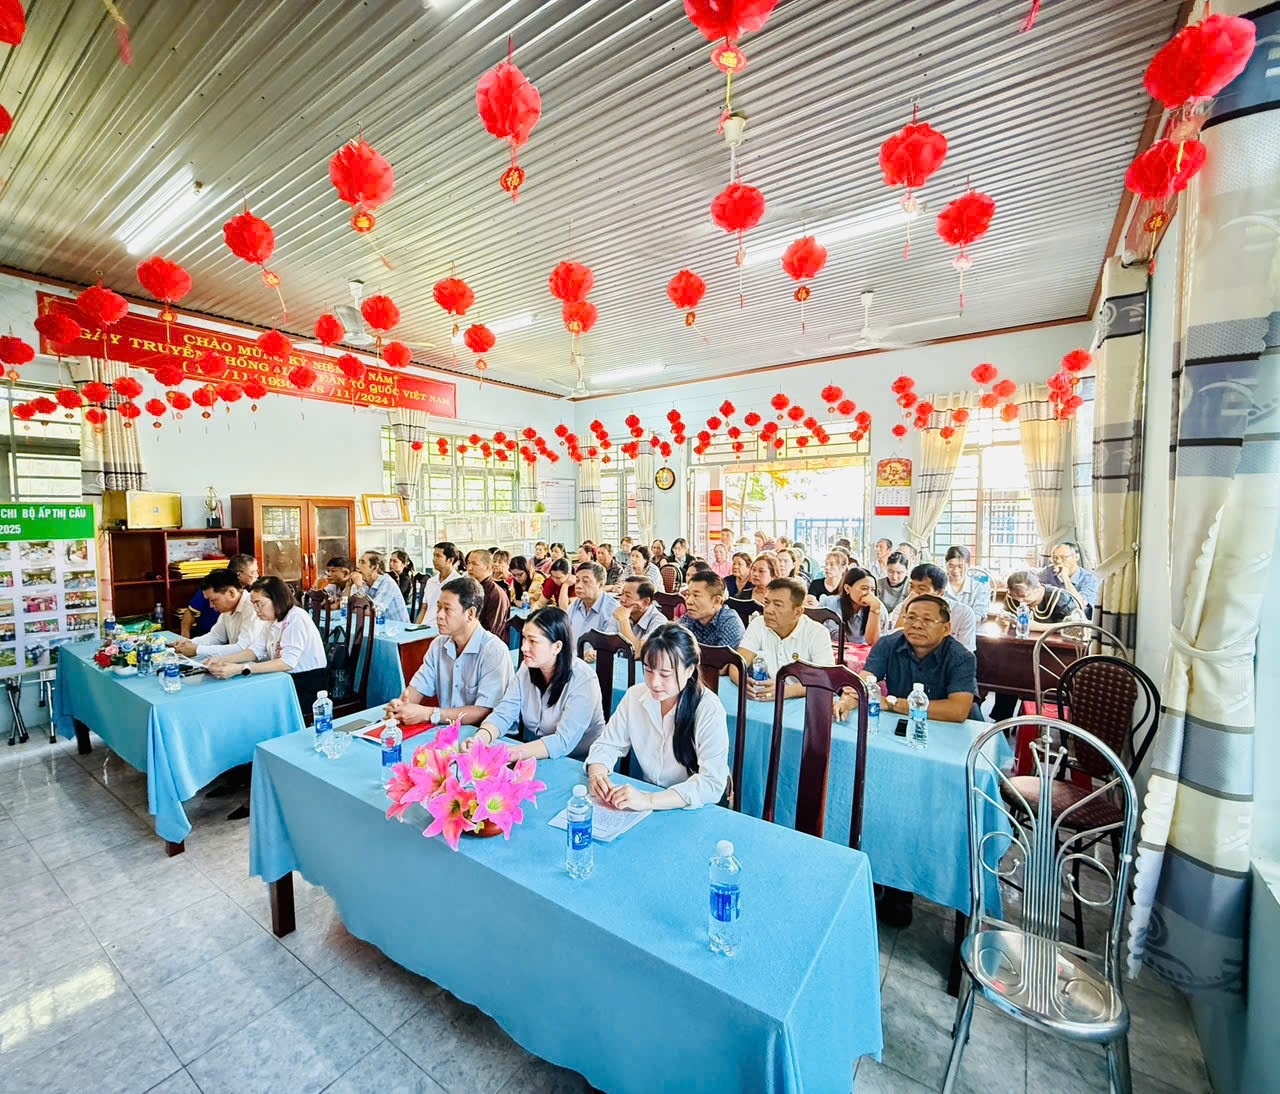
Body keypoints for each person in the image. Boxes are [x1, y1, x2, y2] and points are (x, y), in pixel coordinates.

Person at [586, 624, 730, 811]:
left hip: (691, 808)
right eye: (648, 670)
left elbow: (711, 783)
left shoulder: (708, 709)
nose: (654, 682)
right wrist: (597, 772)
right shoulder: (635, 697)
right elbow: (607, 744)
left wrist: (650, 800)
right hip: (649, 797)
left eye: (665, 674)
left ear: (689, 669)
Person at [471, 606, 606, 762]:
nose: (523, 647)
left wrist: (507, 753)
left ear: (557, 646)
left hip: (581, 761)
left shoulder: (583, 680)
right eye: (523, 638)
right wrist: (480, 738)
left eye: (533, 641)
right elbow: (504, 713)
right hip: (539, 753)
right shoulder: (527, 669)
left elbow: (562, 742)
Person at [385, 576, 514, 727]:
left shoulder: (494, 651)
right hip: (447, 730)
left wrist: (429, 714)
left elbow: (484, 710)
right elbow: (416, 689)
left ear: (470, 613)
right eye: (439, 607)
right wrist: (400, 708)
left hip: (481, 736)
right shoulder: (438, 645)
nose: (439, 615)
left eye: (447, 609)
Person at [205, 577, 329, 707]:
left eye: (260, 604)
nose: (256, 609)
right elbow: (254, 651)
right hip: (285, 679)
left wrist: (241, 668)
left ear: (277, 599)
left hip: (306, 683)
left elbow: (287, 662)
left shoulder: (296, 618)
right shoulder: (272, 620)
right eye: (253, 604)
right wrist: (222, 660)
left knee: (250, 700)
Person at [735, 577, 834, 701]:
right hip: (766, 695)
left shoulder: (817, 633)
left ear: (797, 612)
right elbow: (738, 663)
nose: (768, 610)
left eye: (778, 605)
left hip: (803, 701)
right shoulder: (758, 624)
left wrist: (786, 690)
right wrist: (742, 681)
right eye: (766, 602)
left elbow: (826, 678)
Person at [170, 568, 264, 658]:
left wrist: (197, 650)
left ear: (231, 593)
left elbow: (243, 648)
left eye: (214, 600)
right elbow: (216, 636)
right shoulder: (227, 609)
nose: (211, 605)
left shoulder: (253, 608)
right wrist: (188, 643)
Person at [890, 563, 977, 652]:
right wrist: (904, 611)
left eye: (922, 588)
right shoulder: (901, 608)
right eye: (911, 586)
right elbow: (894, 646)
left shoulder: (963, 613)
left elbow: (966, 653)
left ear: (939, 592)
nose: (913, 593)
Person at [680, 570, 744, 649]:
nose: (689, 601)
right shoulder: (688, 618)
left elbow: (719, 659)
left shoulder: (730, 624)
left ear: (717, 601)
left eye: (696, 595)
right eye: (688, 595)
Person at [563, 562, 620, 650]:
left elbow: (608, 644)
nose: (578, 586)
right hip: (573, 659)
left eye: (585, 581)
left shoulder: (612, 609)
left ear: (601, 584)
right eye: (577, 580)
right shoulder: (575, 604)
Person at [1038, 541, 1100, 619]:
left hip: (1077, 621)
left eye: (1063, 557)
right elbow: (1032, 584)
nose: (1058, 561)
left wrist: (1065, 578)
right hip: (1050, 618)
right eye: (1054, 557)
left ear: (1076, 557)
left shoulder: (1090, 579)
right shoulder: (1049, 571)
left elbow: (1081, 604)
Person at [831, 566, 887, 648]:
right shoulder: (832, 604)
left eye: (873, 590)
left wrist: (875, 609)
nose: (869, 594)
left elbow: (873, 642)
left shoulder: (877, 606)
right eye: (864, 588)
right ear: (847, 588)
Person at [1002, 569, 1074, 630]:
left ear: (1038, 589)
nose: (1019, 600)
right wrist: (1002, 621)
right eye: (1013, 596)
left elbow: (1073, 626)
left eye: (1024, 596)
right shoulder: (1012, 598)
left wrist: (1037, 627)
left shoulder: (1059, 598)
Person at [614, 575, 666, 656]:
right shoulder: (621, 612)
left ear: (645, 602)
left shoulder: (660, 622)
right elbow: (606, 643)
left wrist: (624, 621)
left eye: (628, 596)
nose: (622, 599)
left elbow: (638, 653)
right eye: (622, 594)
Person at [465, 549, 511, 637]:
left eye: (474, 564)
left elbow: (492, 631)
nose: (469, 568)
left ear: (488, 567)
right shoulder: (470, 588)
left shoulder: (495, 594)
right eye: (468, 563)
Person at [357, 551, 410, 622]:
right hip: (378, 628)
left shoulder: (387, 582)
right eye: (359, 562)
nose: (358, 566)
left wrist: (359, 587)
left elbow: (370, 612)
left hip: (397, 629)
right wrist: (348, 586)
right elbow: (348, 608)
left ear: (375, 567)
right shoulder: (363, 582)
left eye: (363, 562)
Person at [944, 546, 992, 618]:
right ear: (946, 565)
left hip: (971, 628)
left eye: (960, 567)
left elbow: (979, 614)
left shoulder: (980, 588)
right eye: (951, 566)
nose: (955, 570)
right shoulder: (938, 586)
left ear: (968, 565)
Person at [419, 542, 462, 624]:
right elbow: (424, 608)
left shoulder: (459, 582)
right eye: (434, 555)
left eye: (438, 556)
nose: (434, 559)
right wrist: (415, 628)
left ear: (450, 560)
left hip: (443, 630)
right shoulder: (431, 581)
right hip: (425, 628)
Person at [877, 551, 911, 615]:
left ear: (906, 571)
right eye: (891, 571)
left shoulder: (910, 586)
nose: (894, 577)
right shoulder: (879, 584)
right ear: (886, 568)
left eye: (899, 573)